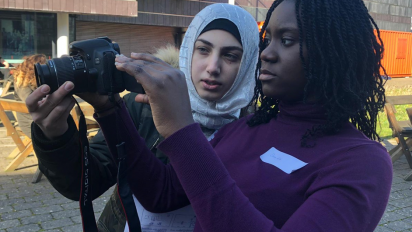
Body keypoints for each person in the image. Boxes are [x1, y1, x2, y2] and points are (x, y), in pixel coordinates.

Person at [30, 0, 393, 231]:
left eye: (287, 40)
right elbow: (163, 193)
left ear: (334, 53)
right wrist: (109, 109)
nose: (266, 54)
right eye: (268, 40)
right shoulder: (250, 127)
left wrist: (181, 130)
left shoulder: (361, 162)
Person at [27, 3, 259, 232]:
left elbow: (163, 194)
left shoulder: (256, 129)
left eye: (230, 56)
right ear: (189, 49)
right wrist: (55, 136)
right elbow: (86, 181)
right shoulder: (143, 106)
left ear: (249, 63)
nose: (212, 67)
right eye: (204, 50)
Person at [12, 54, 47, 138]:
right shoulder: (22, 84)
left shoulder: (33, 82)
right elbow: (32, 102)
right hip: (32, 124)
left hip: (40, 120)